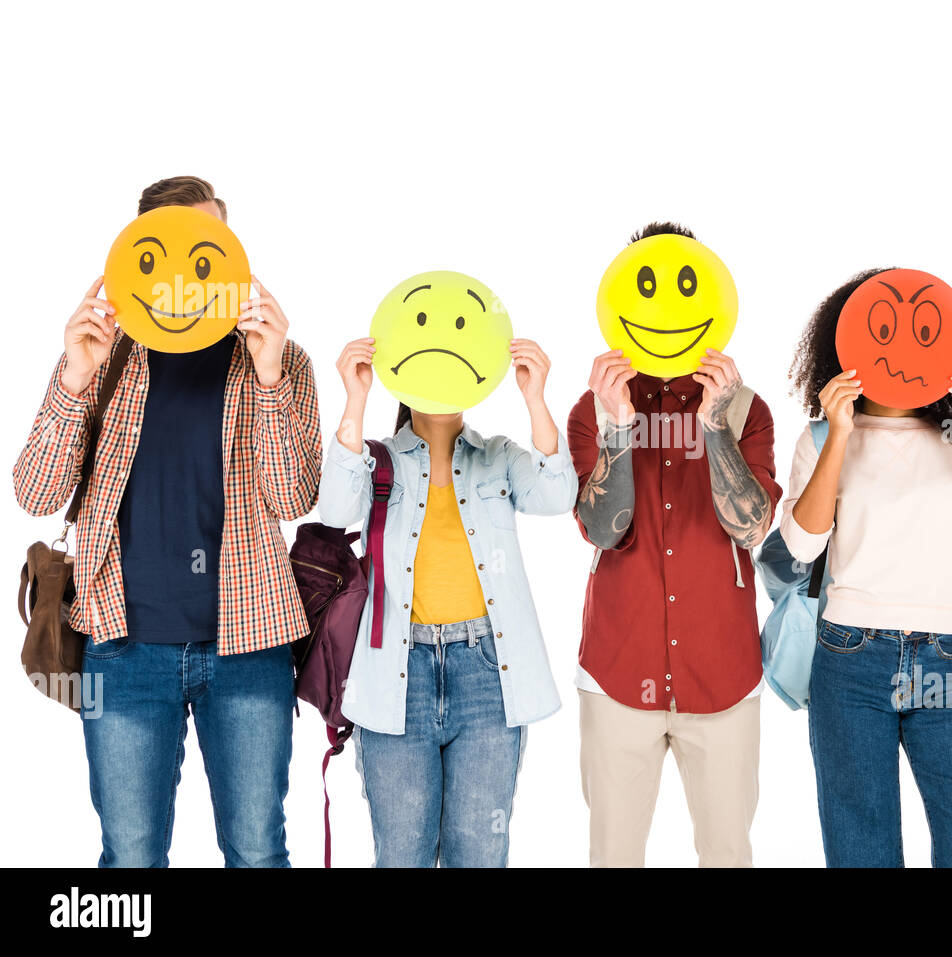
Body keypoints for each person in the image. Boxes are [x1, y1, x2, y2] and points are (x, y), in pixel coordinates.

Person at [13, 175, 320, 867]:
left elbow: (293, 495)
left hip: (249, 647)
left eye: (205, 245)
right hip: (123, 651)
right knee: (129, 857)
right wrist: (71, 377)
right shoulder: (104, 355)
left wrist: (269, 376)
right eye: (166, 249)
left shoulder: (280, 357)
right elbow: (34, 491)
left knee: (257, 851)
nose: (186, 267)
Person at [782, 269, 952, 867]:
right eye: (882, 330)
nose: (900, 349)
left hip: (944, 658)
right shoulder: (821, 437)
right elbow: (802, 544)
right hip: (848, 658)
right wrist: (840, 433)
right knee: (861, 847)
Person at [567, 221, 782, 867]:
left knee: (727, 853)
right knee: (613, 855)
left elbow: (751, 526)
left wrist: (715, 425)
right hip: (617, 672)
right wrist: (620, 429)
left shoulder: (747, 409)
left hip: (723, 677)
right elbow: (603, 529)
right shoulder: (595, 407)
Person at [318, 333, 576, 867]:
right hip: (396, 675)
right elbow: (336, 508)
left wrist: (535, 397)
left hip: (486, 672)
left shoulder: (499, 456)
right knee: (401, 855)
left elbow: (556, 496)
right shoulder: (378, 460)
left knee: (479, 853)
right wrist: (356, 398)